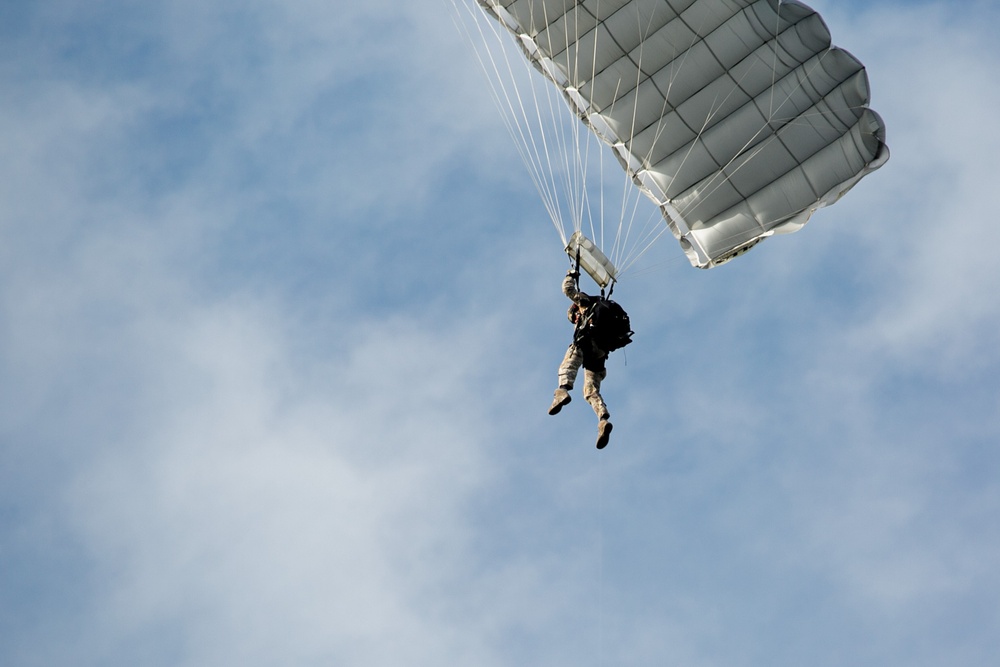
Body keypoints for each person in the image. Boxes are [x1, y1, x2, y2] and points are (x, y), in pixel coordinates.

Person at [548, 267, 626, 450]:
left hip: (587, 342)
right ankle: (603, 420)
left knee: (570, 360)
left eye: (573, 317)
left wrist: (570, 275)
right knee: (590, 390)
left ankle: (562, 391)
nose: (575, 320)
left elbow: (567, 290)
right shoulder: (602, 309)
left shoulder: (584, 302)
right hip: (600, 354)